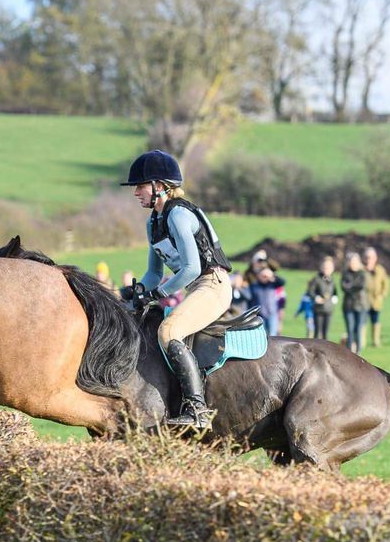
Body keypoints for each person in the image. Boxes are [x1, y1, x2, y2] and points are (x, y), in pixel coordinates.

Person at [119, 149, 232, 430]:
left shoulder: (179, 215)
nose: (135, 193)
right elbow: (154, 272)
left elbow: (192, 268)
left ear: (160, 187)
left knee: (168, 331)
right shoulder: (153, 223)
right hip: (196, 288)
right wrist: (137, 293)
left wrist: (156, 294)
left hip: (213, 285)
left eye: (141, 186)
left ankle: (197, 409)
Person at [340, 252, 369, 354]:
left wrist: (351, 286)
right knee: (350, 330)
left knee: (358, 329)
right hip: (348, 306)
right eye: (351, 262)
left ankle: (358, 352)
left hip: (361, 305)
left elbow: (361, 286)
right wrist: (353, 286)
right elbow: (344, 287)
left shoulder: (362, 273)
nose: (353, 264)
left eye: (355, 262)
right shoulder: (345, 273)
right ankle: (349, 352)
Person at [305, 256, 337, 341]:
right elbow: (310, 291)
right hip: (318, 309)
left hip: (329, 308)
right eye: (325, 267)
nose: (327, 269)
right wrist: (316, 297)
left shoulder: (332, 280)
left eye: (329, 268)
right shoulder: (316, 279)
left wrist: (334, 297)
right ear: (321, 267)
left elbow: (334, 291)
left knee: (326, 333)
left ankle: (326, 352)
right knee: (317, 332)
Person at [363, 247, 390, 348]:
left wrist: (382, 295)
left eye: (371, 257)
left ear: (375, 258)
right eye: (367, 257)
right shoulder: (361, 270)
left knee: (376, 320)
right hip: (364, 300)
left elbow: (385, 283)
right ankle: (362, 342)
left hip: (376, 300)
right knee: (363, 321)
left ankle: (376, 341)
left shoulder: (380, 270)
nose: (368, 259)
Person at [249, 266, 282, 336]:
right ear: (258, 276)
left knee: (273, 336)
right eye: (263, 276)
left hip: (272, 313)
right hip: (259, 315)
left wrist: (271, 276)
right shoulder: (254, 286)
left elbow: (282, 282)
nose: (264, 277)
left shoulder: (272, 284)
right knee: (261, 335)